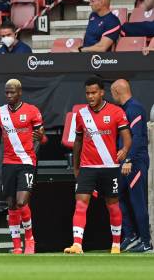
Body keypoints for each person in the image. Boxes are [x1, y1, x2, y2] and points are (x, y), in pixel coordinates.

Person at [0, 79, 45, 254]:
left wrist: (40, 136)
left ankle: (30, 239)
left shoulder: (32, 111)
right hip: (8, 163)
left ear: (20, 92)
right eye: (7, 92)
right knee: (11, 204)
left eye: (12, 92)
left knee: (21, 202)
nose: (9, 95)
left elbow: (41, 136)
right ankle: (17, 246)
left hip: (26, 162)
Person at [64, 77, 132, 254]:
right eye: (87, 93)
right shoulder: (81, 114)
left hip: (110, 167)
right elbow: (78, 140)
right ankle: (77, 244)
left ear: (102, 92)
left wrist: (125, 149)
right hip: (87, 167)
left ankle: (116, 245)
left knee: (113, 205)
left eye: (94, 92)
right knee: (81, 203)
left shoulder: (116, 112)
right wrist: (76, 166)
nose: (90, 96)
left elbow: (127, 136)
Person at [111, 79, 152, 252]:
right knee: (120, 196)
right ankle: (131, 235)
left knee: (138, 201)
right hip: (125, 163)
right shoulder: (126, 109)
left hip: (134, 162)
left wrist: (128, 160)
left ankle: (145, 241)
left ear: (116, 91)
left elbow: (138, 138)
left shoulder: (134, 108)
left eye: (112, 92)